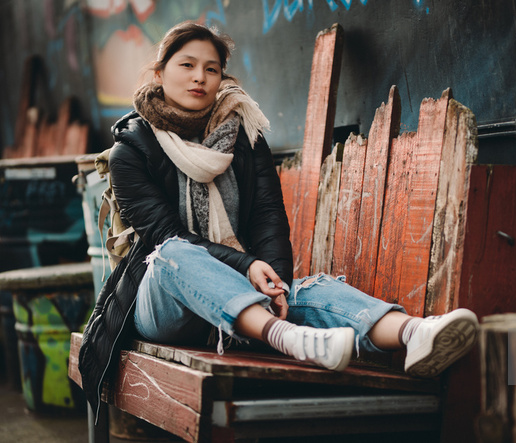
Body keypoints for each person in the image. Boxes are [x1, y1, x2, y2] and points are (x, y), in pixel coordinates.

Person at [78, 21, 479, 418]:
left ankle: (415, 334)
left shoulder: (245, 135)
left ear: (222, 77)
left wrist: (279, 282)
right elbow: (160, 234)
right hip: (166, 306)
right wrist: (248, 264)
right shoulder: (130, 150)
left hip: (242, 292)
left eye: (212, 68)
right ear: (160, 71)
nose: (200, 77)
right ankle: (289, 339)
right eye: (187, 65)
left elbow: (269, 218)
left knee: (311, 289)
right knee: (172, 252)